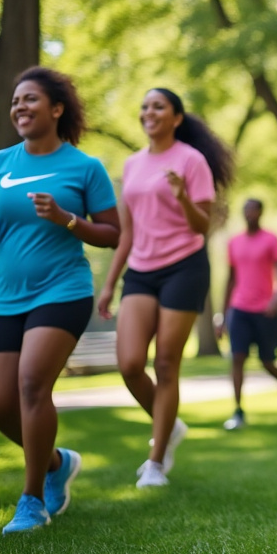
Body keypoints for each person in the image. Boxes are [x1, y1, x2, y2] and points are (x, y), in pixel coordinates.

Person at [0, 67, 119, 533]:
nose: (19, 107)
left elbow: (112, 233)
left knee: (31, 385)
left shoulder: (85, 167)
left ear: (56, 109)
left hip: (63, 291)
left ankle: (32, 500)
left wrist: (67, 219)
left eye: (30, 99)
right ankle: (57, 463)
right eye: (15, 101)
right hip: (7, 297)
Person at [98, 88, 233, 488]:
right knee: (129, 364)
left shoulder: (191, 160)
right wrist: (109, 283)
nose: (149, 112)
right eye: (145, 107)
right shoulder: (132, 164)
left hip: (184, 267)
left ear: (176, 118)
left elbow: (202, 225)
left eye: (158, 106)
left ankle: (156, 462)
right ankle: (170, 424)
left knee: (166, 364)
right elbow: (127, 232)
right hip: (141, 270)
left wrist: (182, 197)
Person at [219, 199, 277, 430]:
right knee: (237, 358)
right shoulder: (234, 242)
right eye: (246, 210)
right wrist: (222, 315)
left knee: (267, 362)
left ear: (260, 212)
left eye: (253, 210)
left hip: (265, 311)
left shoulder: (271, 240)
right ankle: (238, 411)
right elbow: (230, 279)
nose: (249, 214)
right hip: (239, 309)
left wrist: (276, 299)